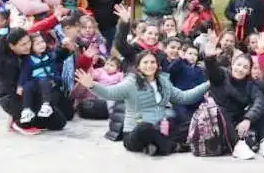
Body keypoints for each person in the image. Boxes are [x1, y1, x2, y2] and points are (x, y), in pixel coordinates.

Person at [75, 51, 209, 156]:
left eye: (152, 62)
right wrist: (92, 85)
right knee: (145, 127)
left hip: (161, 128)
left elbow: (185, 97)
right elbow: (110, 93)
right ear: (138, 66)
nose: (149, 65)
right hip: (135, 134)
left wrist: (209, 84)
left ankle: (156, 146)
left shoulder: (163, 82)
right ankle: (173, 147)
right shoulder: (131, 83)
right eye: (145, 62)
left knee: (188, 121)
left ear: (157, 65)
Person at [0, 27, 73, 134]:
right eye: (23, 45)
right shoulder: (9, 62)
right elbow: (8, 90)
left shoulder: (30, 52)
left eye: (28, 42)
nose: (27, 47)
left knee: (60, 122)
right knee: (28, 116)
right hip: (14, 97)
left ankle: (26, 117)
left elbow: (51, 56)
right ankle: (19, 122)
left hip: (35, 93)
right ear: (12, 46)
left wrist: (65, 49)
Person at [203, 38, 264, 160]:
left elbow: (260, 101)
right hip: (216, 120)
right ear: (232, 65)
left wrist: (248, 119)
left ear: (248, 71)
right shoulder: (222, 75)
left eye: (245, 67)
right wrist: (210, 58)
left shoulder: (250, 84)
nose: (240, 69)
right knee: (220, 111)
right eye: (238, 65)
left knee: (257, 109)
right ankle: (237, 145)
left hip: (238, 120)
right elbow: (213, 70)